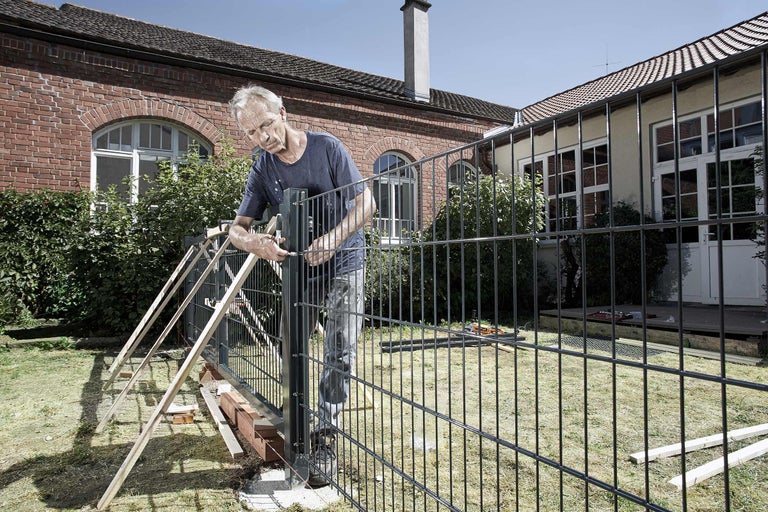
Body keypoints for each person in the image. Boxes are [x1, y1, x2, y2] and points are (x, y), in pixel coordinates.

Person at [228, 84, 376, 486]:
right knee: (289, 343)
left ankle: (325, 435)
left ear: (283, 112)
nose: (263, 138)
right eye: (252, 134)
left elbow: (367, 203)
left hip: (345, 260)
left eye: (266, 126)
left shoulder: (327, 148)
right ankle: (298, 420)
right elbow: (236, 230)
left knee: (339, 349)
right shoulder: (263, 168)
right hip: (303, 269)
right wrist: (255, 243)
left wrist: (334, 238)